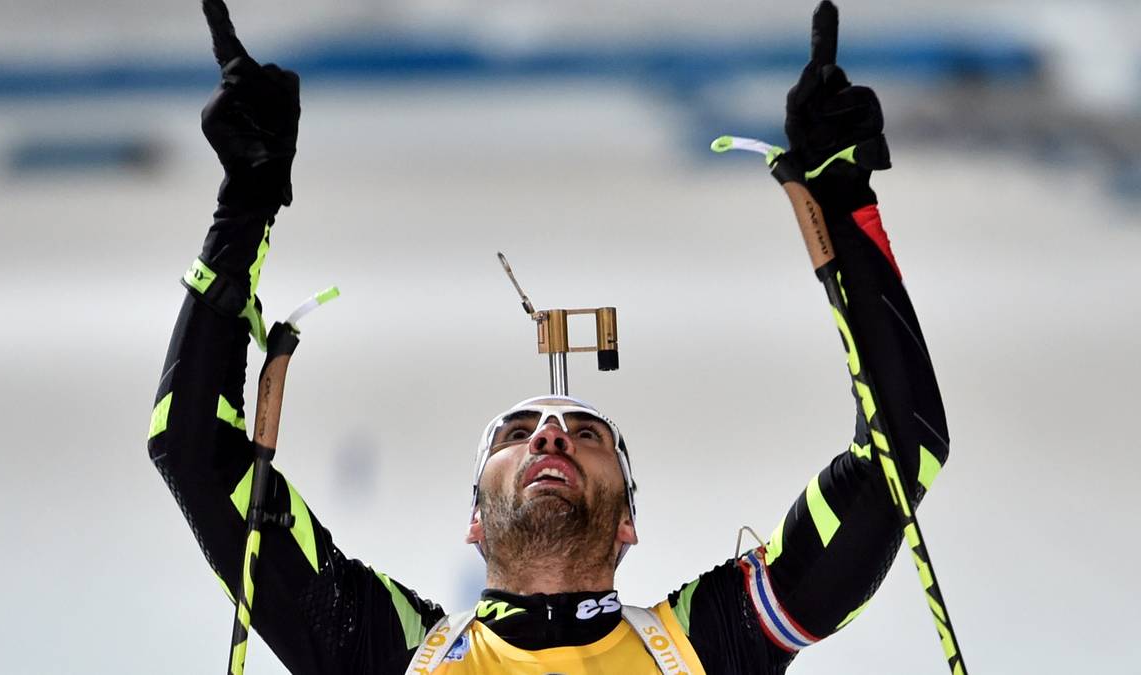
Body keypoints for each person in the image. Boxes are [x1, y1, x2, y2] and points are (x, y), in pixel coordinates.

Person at [147, 1, 951, 672]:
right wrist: (242, 205)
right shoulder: (387, 648)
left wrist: (843, 203)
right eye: (518, 431)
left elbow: (899, 457)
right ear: (473, 517)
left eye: (586, 431)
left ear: (629, 519)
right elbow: (194, 453)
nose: (554, 432)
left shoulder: (710, 642)